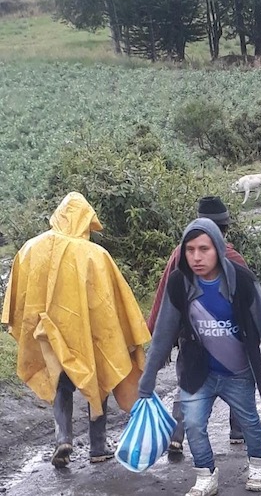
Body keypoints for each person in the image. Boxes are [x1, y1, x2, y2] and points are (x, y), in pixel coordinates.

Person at [139, 218, 261, 495]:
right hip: (198, 372)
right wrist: (148, 376)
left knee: (249, 422)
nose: (196, 257)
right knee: (193, 424)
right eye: (190, 250)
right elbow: (163, 334)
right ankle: (205, 473)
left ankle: (258, 463)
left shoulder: (241, 281)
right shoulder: (179, 283)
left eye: (204, 249)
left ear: (218, 249)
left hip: (237, 371)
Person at [1, 192, 150, 468]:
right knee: (100, 381)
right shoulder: (96, 255)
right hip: (90, 335)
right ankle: (98, 446)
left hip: (48, 334)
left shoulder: (31, 249)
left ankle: (63, 439)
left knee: (60, 382)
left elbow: (19, 297)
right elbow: (113, 301)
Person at [147, 196, 247, 455]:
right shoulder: (234, 258)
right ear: (224, 229)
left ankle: (177, 436)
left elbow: (165, 294)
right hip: (228, 335)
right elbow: (247, 303)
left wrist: (156, 330)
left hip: (190, 333)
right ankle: (238, 431)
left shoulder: (181, 254)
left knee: (189, 380)